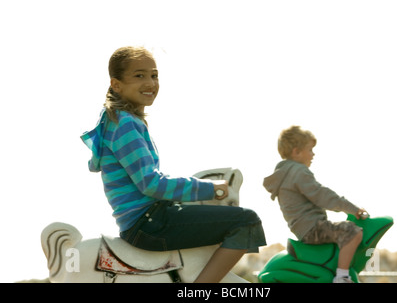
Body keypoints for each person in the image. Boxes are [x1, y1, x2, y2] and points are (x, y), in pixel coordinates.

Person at [81, 46, 266, 283]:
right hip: (149, 223)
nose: (150, 82)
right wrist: (212, 189)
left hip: (142, 221)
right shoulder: (125, 124)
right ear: (116, 84)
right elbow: (151, 184)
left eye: (154, 75)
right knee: (246, 222)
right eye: (139, 75)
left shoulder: (115, 122)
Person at [263, 125, 366, 283]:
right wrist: (353, 209)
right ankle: (342, 277)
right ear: (296, 152)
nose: (313, 154)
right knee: (352, 231)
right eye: (310, 150)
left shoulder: (284, 174)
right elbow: (322, 196)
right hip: (313, 227)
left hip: (301, 229)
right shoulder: (298, 171)